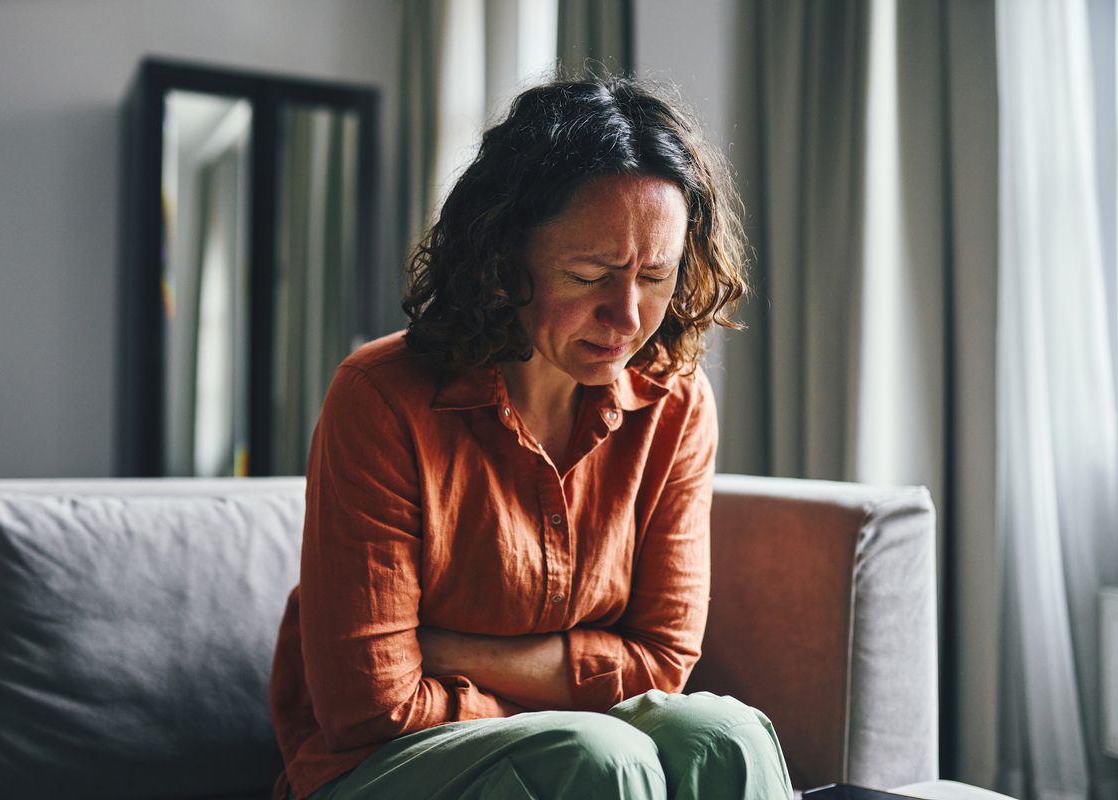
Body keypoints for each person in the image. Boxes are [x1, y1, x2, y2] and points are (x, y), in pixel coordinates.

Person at [269, 76, 793, 800]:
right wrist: (567, 706)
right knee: (598, 754)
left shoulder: (674, 404)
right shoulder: (381, 399)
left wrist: (450, 653)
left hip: (565, 734)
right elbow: (373, 707)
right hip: (376, 768)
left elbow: (664, 661)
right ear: (502, 257)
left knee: (723, 735)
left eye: (656, 276)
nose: (627, 315)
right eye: (590, 275)